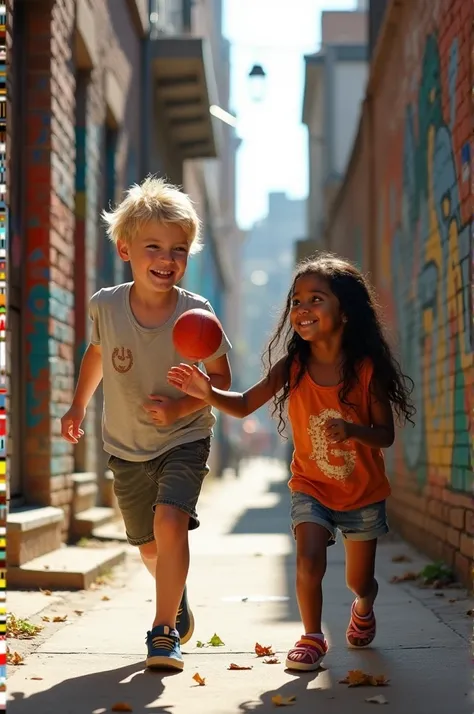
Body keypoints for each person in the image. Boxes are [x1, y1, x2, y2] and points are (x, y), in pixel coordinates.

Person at [168, 254, 414, 672]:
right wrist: (205, 390)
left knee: (360, 580)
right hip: (311, 485)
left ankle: (363, 604)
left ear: (345, 311)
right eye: (296, 300)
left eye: (315, 299)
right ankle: (312, 636)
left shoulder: (366, 369)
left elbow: (385, 435)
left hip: (362, 493)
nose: (302, 309)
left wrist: (353, 431)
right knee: (308, 557)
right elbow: (245, 403)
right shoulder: (294, 365)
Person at [60, 177, 232, 671]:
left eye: (178, 249)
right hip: (126, 444)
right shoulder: (106, 306)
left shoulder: (198, 314)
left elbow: (220, 378)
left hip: (185, 436)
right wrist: (77, 407)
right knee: (151, 546)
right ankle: (174, 600)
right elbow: (95, 356)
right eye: (153, 246)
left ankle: (162, 633)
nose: (167, 258)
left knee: (171, 521)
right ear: (125, 248)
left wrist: (180, 408)